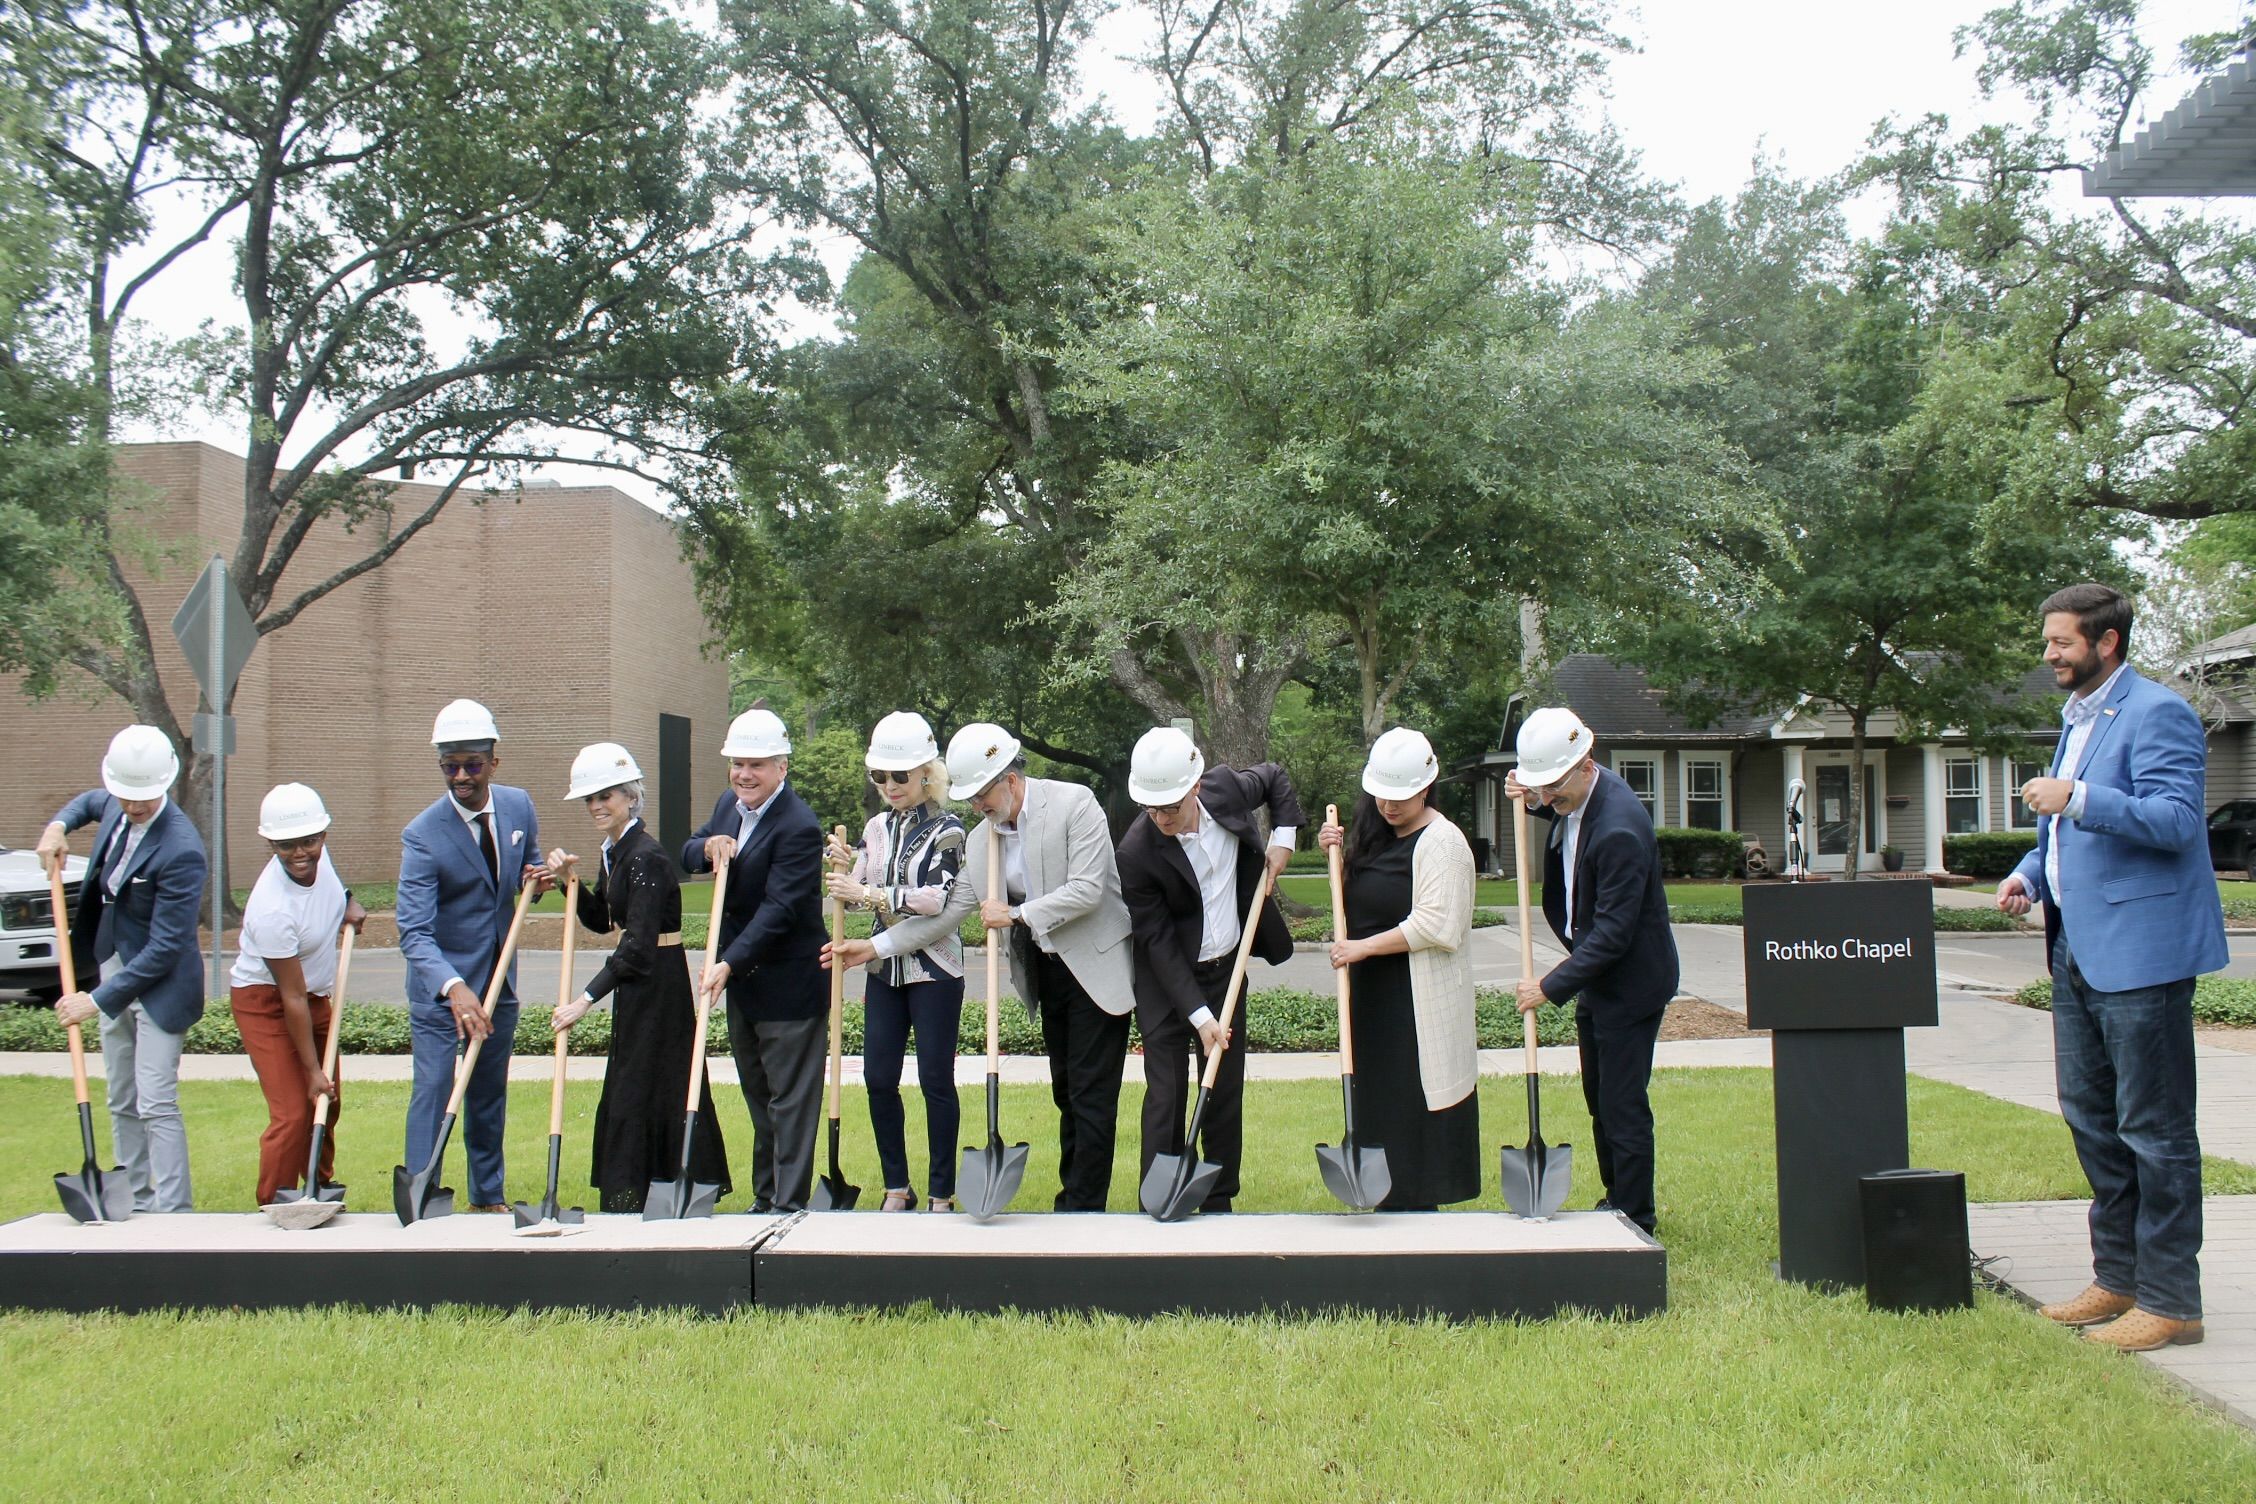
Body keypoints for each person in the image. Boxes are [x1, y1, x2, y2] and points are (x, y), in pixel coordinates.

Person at [1998, 582, 2229, 1351]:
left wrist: (2080, 796)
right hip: (2075, 950)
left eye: (2062, 642)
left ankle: (2172, 1302)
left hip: (2141, 958)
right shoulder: (2079, 720)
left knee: (2154, 1131)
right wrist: (2030, 873)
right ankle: (2119, 1279)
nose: (2050, 654)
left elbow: (2173, 821)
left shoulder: (2158, 712)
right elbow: (2067, 836)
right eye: (2049, 641)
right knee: (2094, 1123)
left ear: (2107, 643)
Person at [834, 723, 1135, 1211]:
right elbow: (950, 915)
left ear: (1010, 781)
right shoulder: (981, 839)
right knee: (1066, 1091)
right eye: (969, 798)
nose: (977, 807)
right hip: (1047, 970)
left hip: (1095, 968)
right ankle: (1074, 1196)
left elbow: (1088, 889)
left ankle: (1083, 1207)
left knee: (1091, 1095)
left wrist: (1015, 914)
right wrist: (876, 947)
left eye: (982, 796)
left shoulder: (1074, 805)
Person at [1505, 705, 1678, 1236]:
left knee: (1622, 1105)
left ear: (1586, 764)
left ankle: (1636, 1215)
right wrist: (1532, 798)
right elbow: (1562, 811)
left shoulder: (1621, 829)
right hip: (1599, 976)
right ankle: (1616, 1199)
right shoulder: (1581, 796)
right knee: (1598, 1098)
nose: (1546, 799)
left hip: (1630, 982)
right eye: (1541, 789)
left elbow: (1613, 936)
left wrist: (1548, 986)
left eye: (1551, 788)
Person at [1116, 726, 1302, 1215]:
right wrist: (1201, 1019)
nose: (1159, 818)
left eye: (1169, 808)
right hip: (1165, 980)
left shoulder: (1225, 787)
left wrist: (1284, 839)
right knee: (1168, 1090)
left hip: (1227, 970)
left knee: (1224, 1087)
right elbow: (1155, 941)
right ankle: (1158, 1199)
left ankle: (1219, 1197)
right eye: (1150, 808)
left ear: (1195, 788)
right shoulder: (1136, 852)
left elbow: (1276, 778)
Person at [547, 743, 730, 1213]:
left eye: (606, 795)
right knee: (632, 1083)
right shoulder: (615, 852)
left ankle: (672, 1186)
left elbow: (638, 945)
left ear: (630, 796)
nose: (596, 806)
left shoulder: (645, 856)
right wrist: (571, 884)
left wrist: (583, 1000)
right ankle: (636, 1189)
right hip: (636, 984)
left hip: (660, 985)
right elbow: (605, 921)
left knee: (657, 1083)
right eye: (590, 799)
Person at [35, 725, 209, 1212]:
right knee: (120, 1096)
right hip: (113, 960)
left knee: (154, 1101)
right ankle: (134, 1198)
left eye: (144, 799)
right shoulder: (115, 801)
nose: (132, 807)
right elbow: (89, 803)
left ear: (165, 786)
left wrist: (95, 1000)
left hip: (162, 988)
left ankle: (175, 1212)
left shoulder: (183, 850)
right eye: (126, 796)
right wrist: (57, 826)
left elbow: (166, 947)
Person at [1319, 728, 1480, 1209]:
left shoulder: (1443, 842)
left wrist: (1363, 948)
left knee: (1412, 1100)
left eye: (1401, 797)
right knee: (1379, 1099)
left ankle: (1416, 1203)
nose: (1389, 806)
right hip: (1373, 998)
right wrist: (1338, 853)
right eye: (1381, 795)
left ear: (1426, 787)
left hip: (1416, 999)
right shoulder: (1378, 836)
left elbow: (1437, 924)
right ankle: (1381, 1198)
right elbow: (1358, 901)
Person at [397, 698, 546, 1213]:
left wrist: (538, 879)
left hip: (498, 982)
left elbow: (526, 873)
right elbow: (413, 932)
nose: (460, 776)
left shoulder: (519, 806)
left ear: (493, 762)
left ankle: (487, 1196)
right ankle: (422, 1193)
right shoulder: (422, 835)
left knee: (487, 1094)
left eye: (472, 765)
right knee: (436, 1090)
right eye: (450, 766)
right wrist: (453, 987)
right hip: (443, 992)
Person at [682, 707, 826, 1212]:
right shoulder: (729, 805)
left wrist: (727, 963)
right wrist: (707, 846)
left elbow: (780, 910)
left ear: (781, 768)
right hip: (743, 984)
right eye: (738, 764)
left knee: (789, 1102)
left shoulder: (798, 826)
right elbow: (686, 850)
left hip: (789, 985)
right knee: (759, 1097)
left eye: (757, 765)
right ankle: (765, 1198)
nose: (744, 774)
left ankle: (787, 1205)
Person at [825, 712, 965, 1212]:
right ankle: (896, 1187)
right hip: (884, 970)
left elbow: (933, 900)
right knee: (878, 1078)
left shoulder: (949, 828)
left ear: (927, 773)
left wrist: (866, 891)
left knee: (934, 1080)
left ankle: (942, 1192)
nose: (889, 785)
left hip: (935, 972)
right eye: (879, 776)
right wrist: (844, 862)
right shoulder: (876, 826)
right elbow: (859, 884)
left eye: (899, 775)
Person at [230, 784, 367, 1206]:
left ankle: (318, 1184)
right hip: (267, 1003)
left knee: (329, 1101)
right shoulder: (271, 909)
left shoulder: (319, 859)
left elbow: (330, 891)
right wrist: (310, 1070)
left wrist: (349, 901)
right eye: (286, 846)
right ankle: (274, 1202)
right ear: (271, 843)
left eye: (309, 841)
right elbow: (290, 998)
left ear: (323, 836)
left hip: (313, 998)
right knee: (294, 1110)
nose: (300, 853)